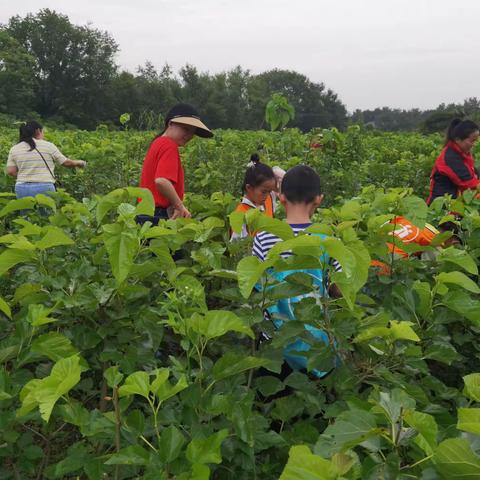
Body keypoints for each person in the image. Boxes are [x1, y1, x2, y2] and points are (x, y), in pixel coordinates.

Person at [252, 165, 341, 378]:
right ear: (319, 199)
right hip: (317, 345)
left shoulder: (264, 238)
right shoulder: (329, 241)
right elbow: (339, 290)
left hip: (275, 343)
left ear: (280, 197)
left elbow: (255, 286)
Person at [137, 104, 213, 225]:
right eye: (185, 129)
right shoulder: (169, 146)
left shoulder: (158, 143)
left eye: (192, 132)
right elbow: (161, 181)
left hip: (144, 212)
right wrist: (179, 206)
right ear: (170, 124)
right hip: (158, 214)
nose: (189, 136)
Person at [6, 121, 86, 198]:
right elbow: (66, 163)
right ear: (38, 131)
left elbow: (11, 171)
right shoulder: (48, 146)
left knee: (27, 211)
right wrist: (80, 163)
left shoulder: (14, 149)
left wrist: (26, 176)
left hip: (22, 187)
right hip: (44, 186)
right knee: (46, 211)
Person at [230, 154, 285, 240]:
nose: (267, 195)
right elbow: (236, 246)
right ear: (249, 188)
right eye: (263, 192)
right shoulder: (241, 214)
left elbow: (281, 175)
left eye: (269, 191)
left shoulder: (268, 198)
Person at [427, 118, 479, 205]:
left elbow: (473, 174)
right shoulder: (450, 158)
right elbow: (470, 183)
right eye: (472, 141)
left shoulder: (463, 153)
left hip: (455, 205)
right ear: (458, 139)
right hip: (443, 210)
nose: (474, 144)